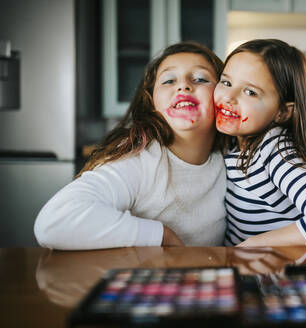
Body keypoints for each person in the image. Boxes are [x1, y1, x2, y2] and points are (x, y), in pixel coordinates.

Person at [34, 42, 227, 250]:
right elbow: (54, 222)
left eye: (200, 79)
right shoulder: (141, 160)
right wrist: (161, 236)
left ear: (224, 96)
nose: (184, 86)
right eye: (169, 80)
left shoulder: (228, 160)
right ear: (151, 101)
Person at [214, 39, 306, 247]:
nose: (228, 96)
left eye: (250, 92)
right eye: (226, 82)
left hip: (273, 274)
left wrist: (248, 247)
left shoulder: (275, 151)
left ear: (282, 112)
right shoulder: (234, 145)